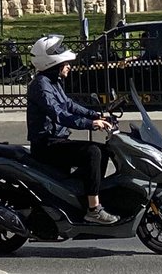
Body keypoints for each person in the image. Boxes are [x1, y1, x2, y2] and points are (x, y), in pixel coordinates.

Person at [26, 34, 118, 225]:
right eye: (65, 63)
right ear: (53, 63)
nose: (69, 66)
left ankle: (83, 195)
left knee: (103, 150)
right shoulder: (41, 86)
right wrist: (90, 124)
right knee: (93, 152)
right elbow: (59, 114)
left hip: (58, 141)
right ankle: (93, 210)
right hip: (47, 145)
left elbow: (69, 105)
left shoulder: (53, 82)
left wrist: (96, 115)